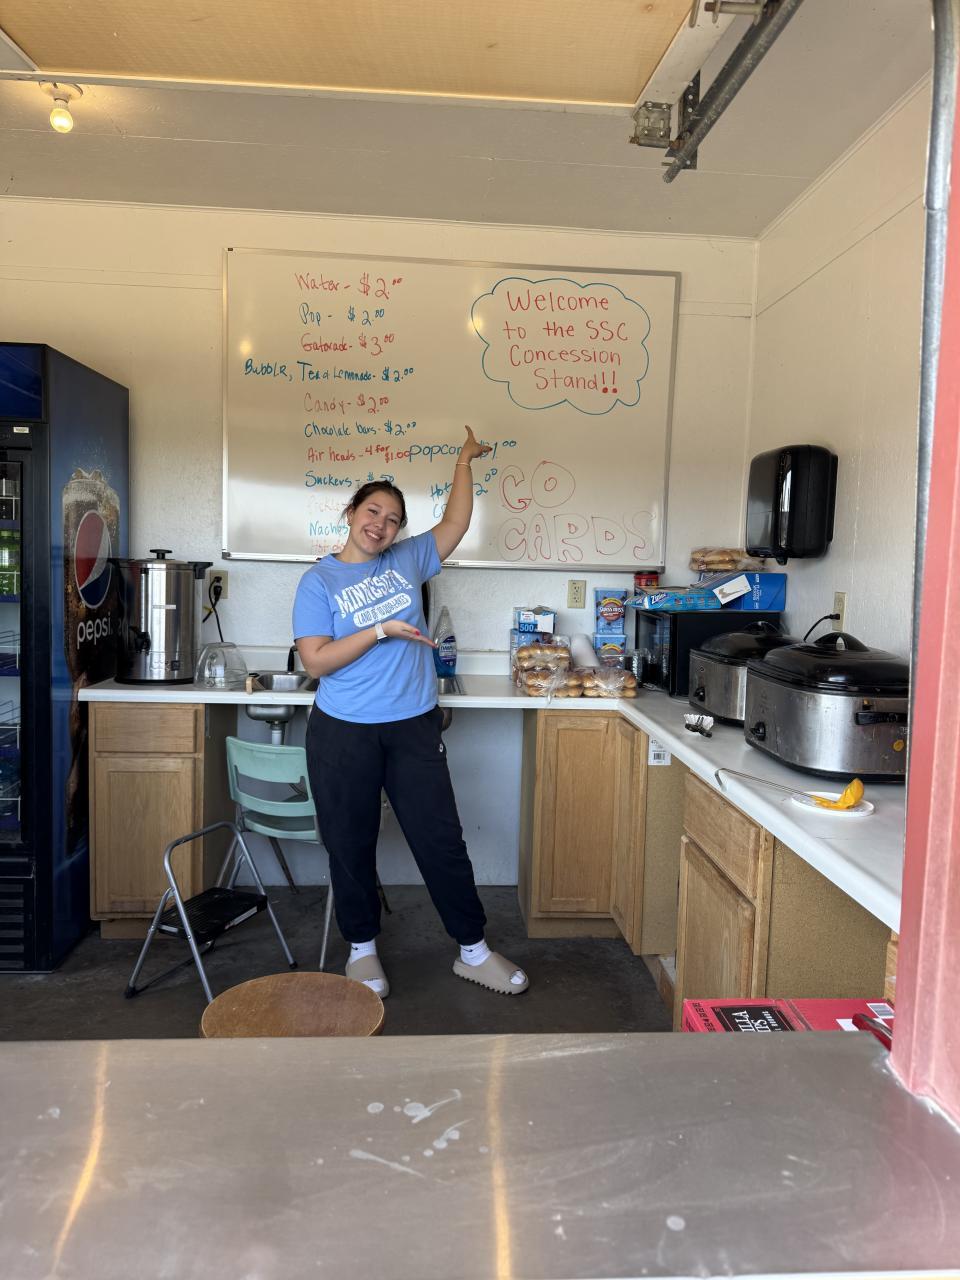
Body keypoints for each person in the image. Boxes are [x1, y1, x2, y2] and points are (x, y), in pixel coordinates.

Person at [293, 426, 529, 1000]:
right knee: (350, 843)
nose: (381, 524)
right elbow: (316, 660)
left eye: (393, 519)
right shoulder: (318, 581)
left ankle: (473, 950)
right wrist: (380, 630)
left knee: (440, 838)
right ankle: (362, 950)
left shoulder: (408, 560)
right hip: (343, 731)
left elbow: (456, 522)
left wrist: (464, 462)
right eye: (372, 511)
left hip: (412, 726)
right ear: (351, 513)